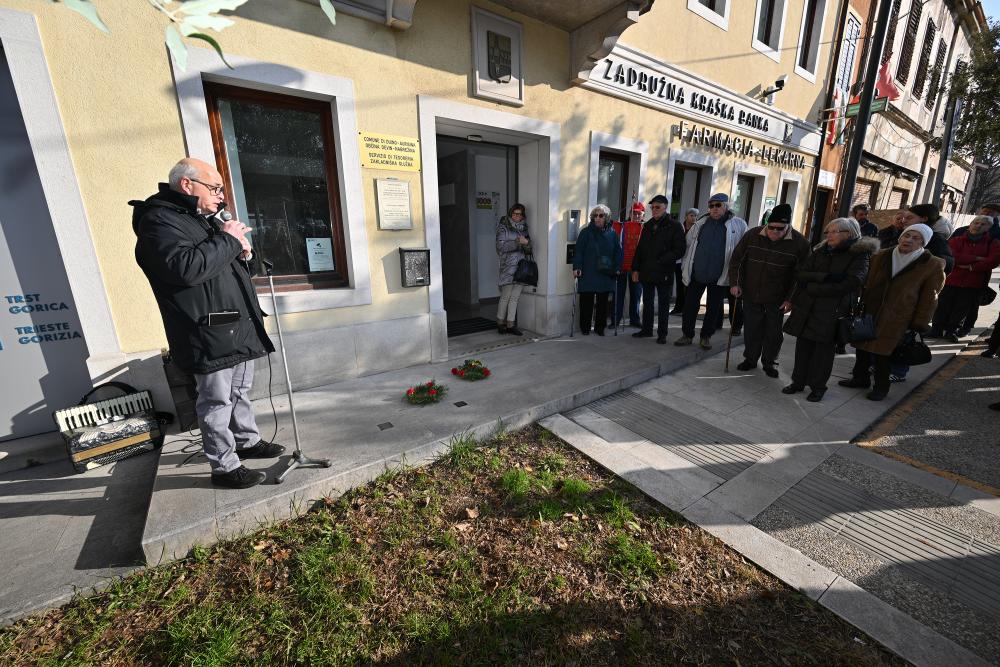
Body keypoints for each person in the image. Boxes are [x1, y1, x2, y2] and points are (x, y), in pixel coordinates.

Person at [131, 158, 281, 489]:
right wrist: (227, 240)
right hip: (206, 330)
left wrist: (243, 255)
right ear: (187, 185)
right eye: (214, 188)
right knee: (216, 400)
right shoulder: (159, 221)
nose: (221, 197)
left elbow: (219, 266)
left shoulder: (204, 221)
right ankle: (224, 467)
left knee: (239, 391)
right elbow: (185, 269)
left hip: (236, 325)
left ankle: (247, 442)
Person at [839, 224, 945, 400]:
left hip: (899, 316)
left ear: (923, 243)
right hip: (870, 310)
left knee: (883, 354)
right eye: (907, 235)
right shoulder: (881, 255)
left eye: (915, 238)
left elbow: (930, 298)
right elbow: (865, 281)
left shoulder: (931, 264)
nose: (908, 240)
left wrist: (919, 323)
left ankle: (881, 387)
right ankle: (860, 378)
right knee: (862, 348)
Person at [782, 218, 878, 402]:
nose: (829, 235)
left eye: (834, 231)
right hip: (807, 308)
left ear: (848, 234)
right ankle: (798, 382)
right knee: (803, 348)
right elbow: (801, 273)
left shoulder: (859, 254)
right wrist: (827, 277)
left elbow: (851, 283)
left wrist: (813, 286)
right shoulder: (821, 250)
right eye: (828, 231)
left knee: (823, 353)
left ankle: (818, 387)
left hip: (832, 311)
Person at [727, 204, 810, 377]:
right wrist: (735, 283)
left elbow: (801, 276)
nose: (774, 231)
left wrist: (790, 299)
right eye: (771, 227)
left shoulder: (800, 243)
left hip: (778, 297)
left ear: (787, 226)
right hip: (751, 292)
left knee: (773, 332)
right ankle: (750, 359)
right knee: (752, 329)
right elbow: (737, 260)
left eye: (780, 229)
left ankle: (769, 361)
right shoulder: (752, 235)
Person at [877, 203, 953, 382]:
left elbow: (946, 264)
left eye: (909, 217)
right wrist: (893, 230)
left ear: (924, 219)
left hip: (910, 300)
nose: (904, 220)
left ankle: (898, 370)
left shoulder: (935, 240)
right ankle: (879, 365)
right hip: (887, 296)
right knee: (882, 335)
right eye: (904, 217)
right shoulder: (898, 232)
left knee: (903, 338)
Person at [676, 193, 748, 350]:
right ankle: (687, 335)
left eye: (718, 205)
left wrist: (738, 274)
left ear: (726, 206)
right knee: (689, 306)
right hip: (697, 273)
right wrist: (685, 266)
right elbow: (688, 245)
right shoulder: (700, 224)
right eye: (711, 205)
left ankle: (706, 336)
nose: (714, 208)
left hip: (719, 275)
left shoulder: (738, 225)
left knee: (713, 308)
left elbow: (743, 251)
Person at [930, 216, 1000, 341]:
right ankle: (936, 330)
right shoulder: (956, 240)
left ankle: (951, 331)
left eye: (983, 224)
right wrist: (977, 258)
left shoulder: (992, 243)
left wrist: (972, 267)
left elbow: (993, 261)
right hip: (951, 279)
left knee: (962, 309)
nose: (978, 226)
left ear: (988, 227)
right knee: (942, 306)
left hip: (973, 283)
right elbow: (952, 256)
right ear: (970, 224)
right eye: (976, 222)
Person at [630, 195, 686, 343]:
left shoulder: (674, 226)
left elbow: (680, 249)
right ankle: (647, 330)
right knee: (647, 303)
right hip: (647, 270)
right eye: (652, 207)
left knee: (663, 305)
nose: (654, 210)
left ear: (665, 207)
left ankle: (662, 334)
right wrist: (635, 269)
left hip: (664, 271)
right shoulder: (648, 225)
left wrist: (662, 259)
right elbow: (640, 249)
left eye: (657, 207)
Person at [574, 205, 622, 335]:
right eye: (595, 215)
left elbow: (618, 253)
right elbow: (579, 251)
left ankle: (600, 328)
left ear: (606, 217)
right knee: (586, 301)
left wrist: (617, 268)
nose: (598, 218)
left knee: (603, 302)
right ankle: (585, 327)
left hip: (605, 272)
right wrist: (577, 267)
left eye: (601, 215)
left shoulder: (612, 234)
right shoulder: (585, 233)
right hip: (588, 271)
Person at [495, 203, 531, 336]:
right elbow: (500, 247)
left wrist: (527, 244)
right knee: (506, 296)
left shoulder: (524, 229)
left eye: (520, 214)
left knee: (515, 298)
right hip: (508, 267)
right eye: (515, 213)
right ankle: (500, 323)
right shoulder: (503, 227)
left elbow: (529, 249)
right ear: (511, 214)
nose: (517, 216)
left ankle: (510, 324)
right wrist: (516, 242)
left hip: (521, 268)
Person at [612, 202, 645, 328]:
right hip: (622, 265)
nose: (636, 216)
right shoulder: (622, 226)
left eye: (638, 213)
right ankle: (615, 319)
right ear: (630, 213)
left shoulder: (645, 227)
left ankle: (635, 319)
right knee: (618, 294)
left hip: (637, 267)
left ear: (643, 215)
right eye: (634, 213)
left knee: (636, 295)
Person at [670, 208, 699, 315]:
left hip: (691, 261)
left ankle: (687, 308)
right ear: (686, 216)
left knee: (689, 285)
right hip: (679, 261)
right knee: (679, 284)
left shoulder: (697, 229)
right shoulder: (680, 227)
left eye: (695, 216)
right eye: (691, 215)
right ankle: (678, 307)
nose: (694, 218)